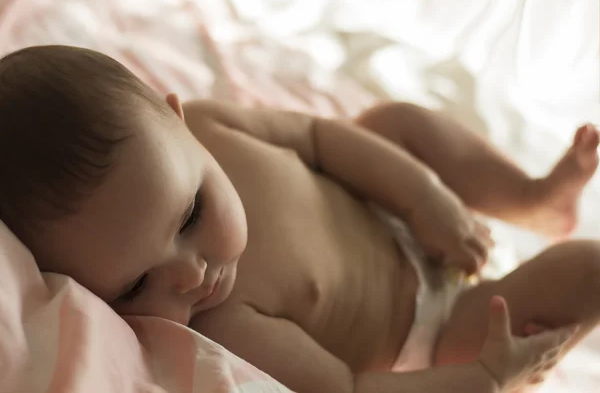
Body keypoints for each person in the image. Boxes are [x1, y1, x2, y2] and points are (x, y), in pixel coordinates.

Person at [0, 45, 596, 393]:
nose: (191, 275)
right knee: (583, 276)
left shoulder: (214, 126)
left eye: (190, 215)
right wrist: (485, 375)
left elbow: (316, 137)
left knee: (396, 123)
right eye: (135, 286)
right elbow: (348, 387)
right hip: (433, 321)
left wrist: (423, 197)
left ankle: (533, 198)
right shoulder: (225, 327)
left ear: (175, 118)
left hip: (388, 205)